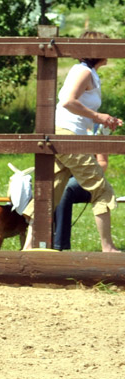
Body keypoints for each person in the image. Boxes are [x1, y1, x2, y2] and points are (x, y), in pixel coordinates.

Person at [22, 30, 122, 253]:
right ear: (97, 51)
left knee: (50, 192)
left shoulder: (89, 73)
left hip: (67, 134)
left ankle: (28, 250)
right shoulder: (83, 71)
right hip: (66, 136)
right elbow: (67, 101)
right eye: (108, 47)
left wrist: (103, 120)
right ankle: (108, 249)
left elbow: (78, 108)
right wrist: (98, 117)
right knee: (102, 190)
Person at [53, 152, 107, 250]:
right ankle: (41, 241)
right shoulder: (63, 136)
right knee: (50, 189)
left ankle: (58, 245)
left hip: (87, 177)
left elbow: (103, 163)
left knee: (65, 189)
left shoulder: (95, 136)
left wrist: (84, 172)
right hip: (63, 174)